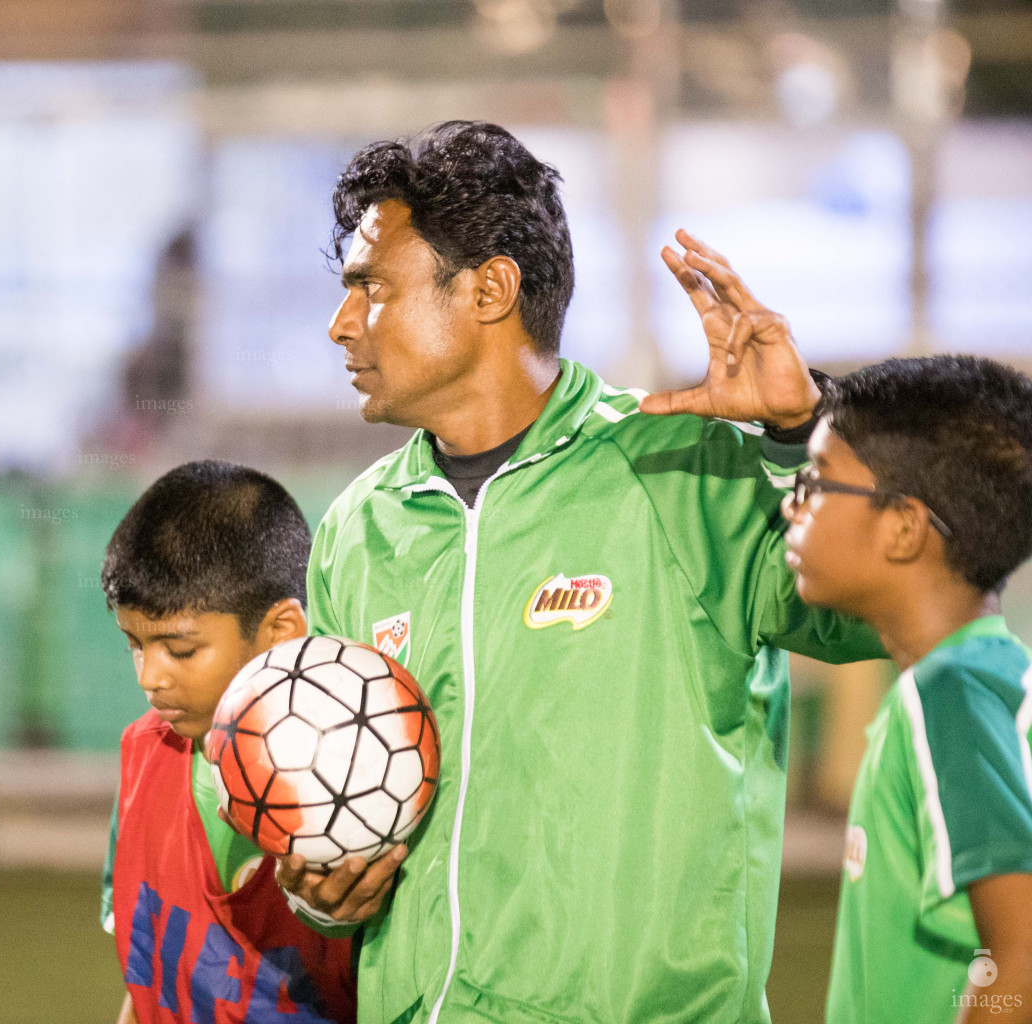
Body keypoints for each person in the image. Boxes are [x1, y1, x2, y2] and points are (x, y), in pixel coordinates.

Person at [276, 121, 886, 1024]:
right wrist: (320, 884)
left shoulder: (677, 468)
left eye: (370, 287)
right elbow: (328, 795)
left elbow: (880, 613)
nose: (340, 324)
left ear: (490, 288)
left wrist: (804, 437)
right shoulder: (359, 527)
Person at [777, 357, 1032, 1024]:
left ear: (903, 528)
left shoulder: (948, 694)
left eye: (816, 481)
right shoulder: (986, 677)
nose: (791, 502)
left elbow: (1022, 961)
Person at [99, 460, 357, 1024]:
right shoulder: (143, 755)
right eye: (134, 645)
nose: (149, 677)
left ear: (281, 633)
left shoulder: (359, 777)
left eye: (181, 649)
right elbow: (149, 978)